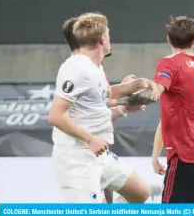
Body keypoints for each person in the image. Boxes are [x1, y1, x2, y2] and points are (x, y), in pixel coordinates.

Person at [48, 13, 157, 202]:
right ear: (102, 38)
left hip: (99, 155)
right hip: (77, 157)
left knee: (140, 193)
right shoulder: (77, 69)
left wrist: (134, 87)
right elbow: (55, 116)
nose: (110, 39)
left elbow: (103, 95)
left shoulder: (95, 67)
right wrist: (90, 139)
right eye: (108, 34)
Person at [132, 16, 194, 203]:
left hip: (187, 155)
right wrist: (156, 155)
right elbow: (169, 117)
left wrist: (125, 96)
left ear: (168, 39)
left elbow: (157, 90)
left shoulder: (169, 63)